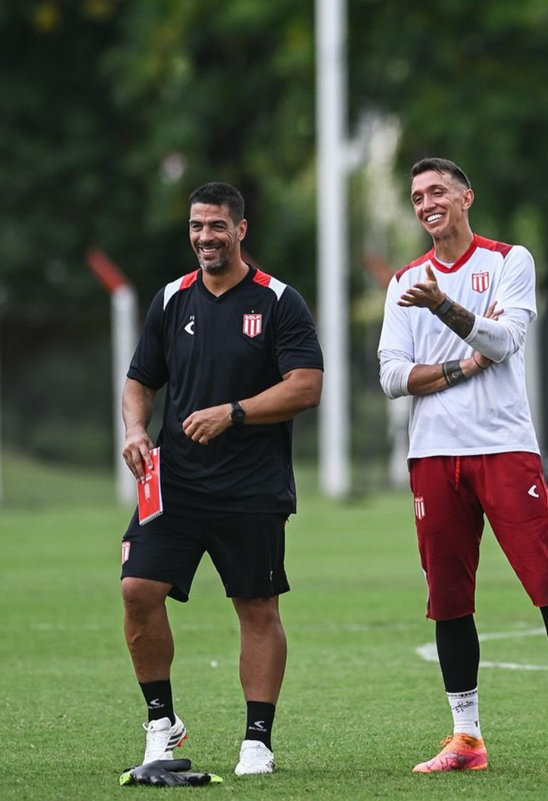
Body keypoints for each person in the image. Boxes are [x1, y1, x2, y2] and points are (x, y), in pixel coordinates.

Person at [377, 157, 548, 774]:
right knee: (448, 600)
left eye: (437, 191)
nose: (426, 202)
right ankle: (466, 738)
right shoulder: (405, 278)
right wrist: (457, 366)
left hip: (505, 449)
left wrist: (447, 311)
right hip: (432, 456)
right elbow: (392, 376)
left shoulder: (510, 260)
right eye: (416, 195)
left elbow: (505, 342)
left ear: (465, 197)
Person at [119, 181, 324, 778]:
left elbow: (306, 386)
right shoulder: (171, 299)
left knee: (256, 607)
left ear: (240, 230)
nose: (204, 237)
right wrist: (135, 428)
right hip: (174, 480)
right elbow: (139, 381)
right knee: (137, 590)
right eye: (195, 227)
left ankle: (257, 740)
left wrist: (233, 412)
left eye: (215, 226)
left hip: (251, 486)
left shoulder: (279, 301)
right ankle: (162, 726)